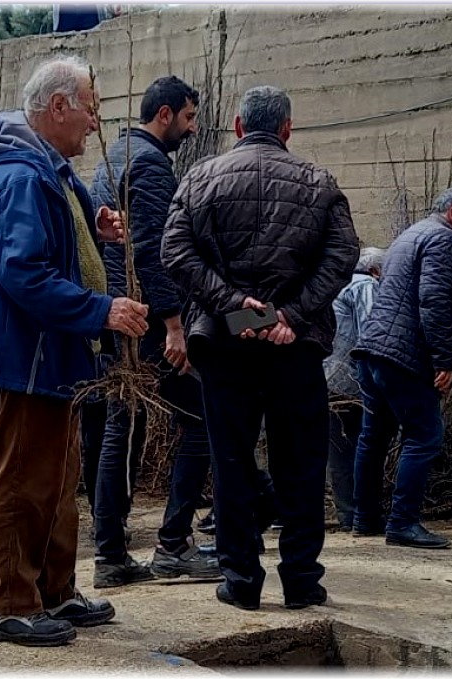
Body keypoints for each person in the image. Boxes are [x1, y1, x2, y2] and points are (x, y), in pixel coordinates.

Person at [0, 56, 149, 647]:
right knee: (20, 480)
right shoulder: (20, 177)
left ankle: (55, 590)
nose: (95, 122)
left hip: (51, 355)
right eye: (90, 107)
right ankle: (9, 602)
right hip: (26, 355)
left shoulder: (49, 174)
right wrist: (102, 309)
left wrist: (93, 225)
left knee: (58, 480)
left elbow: (51, 242)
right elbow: (24, 273)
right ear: (58, 107)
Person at [162, 85, 359, 612]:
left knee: (230, 460)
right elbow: (345, 255)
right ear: (288, 129)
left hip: (224, 344)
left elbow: (174, 252)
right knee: (301, 463)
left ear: (236, 125)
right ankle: (301, 580)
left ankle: (241, 581)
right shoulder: (319, 183)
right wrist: (288, 315)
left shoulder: (199, 178)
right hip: (294, 347)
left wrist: (235, 306)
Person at [88, 75, 221, 588]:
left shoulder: (113, 155)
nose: (191, 128)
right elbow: (151, 250)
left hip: (122, 317)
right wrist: (172, 324)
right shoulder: (148, 163)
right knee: (192, 422)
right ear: (164, 115)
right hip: (143, 322)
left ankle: (121, 551)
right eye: (188, 117)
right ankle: (154, 549)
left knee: (124, 428)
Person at [351, 189, 452, 547]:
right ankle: (403, 523)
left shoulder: (410, 234)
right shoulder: (443, 240)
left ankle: (365, 519)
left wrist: (445, 348)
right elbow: (434, 301)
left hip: (374, 349)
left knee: (373, 437)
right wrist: (443, 360)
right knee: (424, 436)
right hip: (402, 357)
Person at [324, 247, 385, 531]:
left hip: (324, 376)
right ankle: (356, 514)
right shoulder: (365, 286)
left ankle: (347, 513)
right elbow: (371, 334)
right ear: (376, 270)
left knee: (336, 449)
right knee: (353, 448)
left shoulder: (335, 285)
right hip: (347, 380)